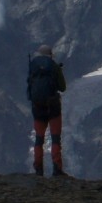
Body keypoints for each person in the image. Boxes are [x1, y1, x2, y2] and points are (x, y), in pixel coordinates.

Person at [26, 45, 68, 177]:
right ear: (50, 55)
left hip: (37, 107)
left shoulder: (33, 67)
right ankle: (57, 169)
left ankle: (38, 169)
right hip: (53, 107)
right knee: (55, 138)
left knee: (39, 139)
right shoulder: (54, 66)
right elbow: (63, 87)